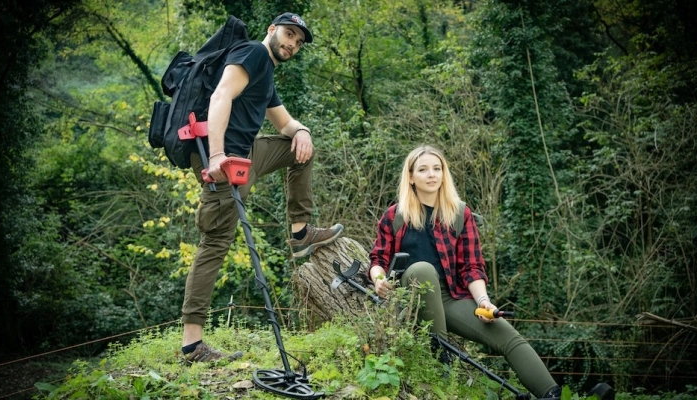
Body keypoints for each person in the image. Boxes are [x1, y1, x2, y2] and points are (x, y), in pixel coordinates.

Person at [180, 12, 344, 364]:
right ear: (272, 30)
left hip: (249, 155)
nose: (292, 44)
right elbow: (221, 95)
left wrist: (303, 132)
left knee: (300, 150)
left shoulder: (266, 72)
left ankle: (300, 231)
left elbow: (284, 123)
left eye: (298, 42)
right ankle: (192, 345)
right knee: (215, 244)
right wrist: (217, 154)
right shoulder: (253, 52)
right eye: (288, 34)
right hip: (224, 161)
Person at [368, 145, 561, 399]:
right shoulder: (395, 215)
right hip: (409, 297)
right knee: (423, 270)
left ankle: (552, 394)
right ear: (411, 177)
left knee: (506, 335)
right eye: (423, 169)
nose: (432, 175)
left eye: (437, 169)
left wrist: (483, 301)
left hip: (450, 297)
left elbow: (472, 267)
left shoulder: (460, 214)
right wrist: (379, 280)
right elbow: (378, 259)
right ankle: (441, 362)